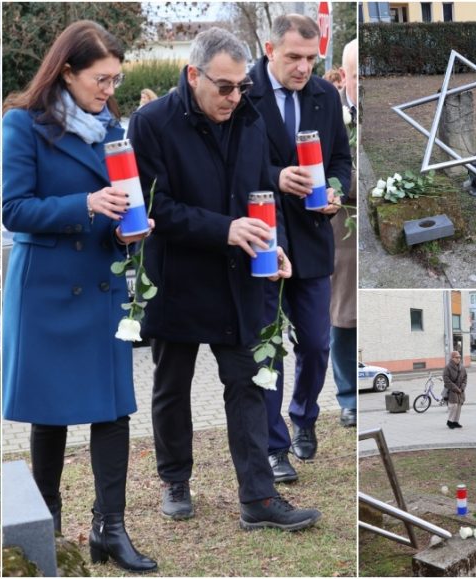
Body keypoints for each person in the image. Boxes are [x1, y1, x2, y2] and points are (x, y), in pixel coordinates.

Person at [127, 26, 321, 532]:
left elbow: (261, 193)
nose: (235, 97)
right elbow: (154, 207)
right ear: (194, 76)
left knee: (248, 387)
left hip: (240, 282)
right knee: (172, 387)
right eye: (225, 87)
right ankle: (175, 479)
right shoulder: (151, 123)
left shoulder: (249, 117)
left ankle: (258, 499)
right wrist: (225, 229)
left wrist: (271, 244)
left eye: (242, 88)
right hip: (177, 281)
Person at [0, 21, 156, 573]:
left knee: (114, 411)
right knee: (52, 415)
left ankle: (110, 529)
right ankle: (49, 525)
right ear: (66, 71)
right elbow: (13, 210)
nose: (109, 90)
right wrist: (86, 205)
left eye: (116, 79)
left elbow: (124, 205)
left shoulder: (113, 127)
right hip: (47, 290)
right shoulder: (22, 124)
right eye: (101, 78)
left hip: (104, 284)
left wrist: (129, 228)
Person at [247, 14, 352, 483]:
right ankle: (275, 448)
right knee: (268, 348)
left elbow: (342, 163)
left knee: (315, 341)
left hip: (312, 237)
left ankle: (304, 416)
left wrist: (334, 191)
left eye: (312, 58)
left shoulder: (326, 97)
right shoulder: (243, 92)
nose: (303, 67)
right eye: (293, 57)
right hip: (264, 237)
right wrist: (274, 177)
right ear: (270, 50)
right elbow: (230, 165)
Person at [331, 38, 358, 429]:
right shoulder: (330, 113)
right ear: (343, 77)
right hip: (343, 230)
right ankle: (347, 396)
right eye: (356, 75)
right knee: (343, 316)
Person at [444, 350, 467, 429]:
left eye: (459, 357)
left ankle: (456, 421)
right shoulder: (447, 367)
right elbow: (446, 380)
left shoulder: (462, 367)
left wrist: (462, 387)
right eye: (457, 357)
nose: (458, 359)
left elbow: (465, 378)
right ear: (452, 358)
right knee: (453, 406)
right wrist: (456, 388)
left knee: (459, 406)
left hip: (461, 390)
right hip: (452, 390)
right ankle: (450, 421)